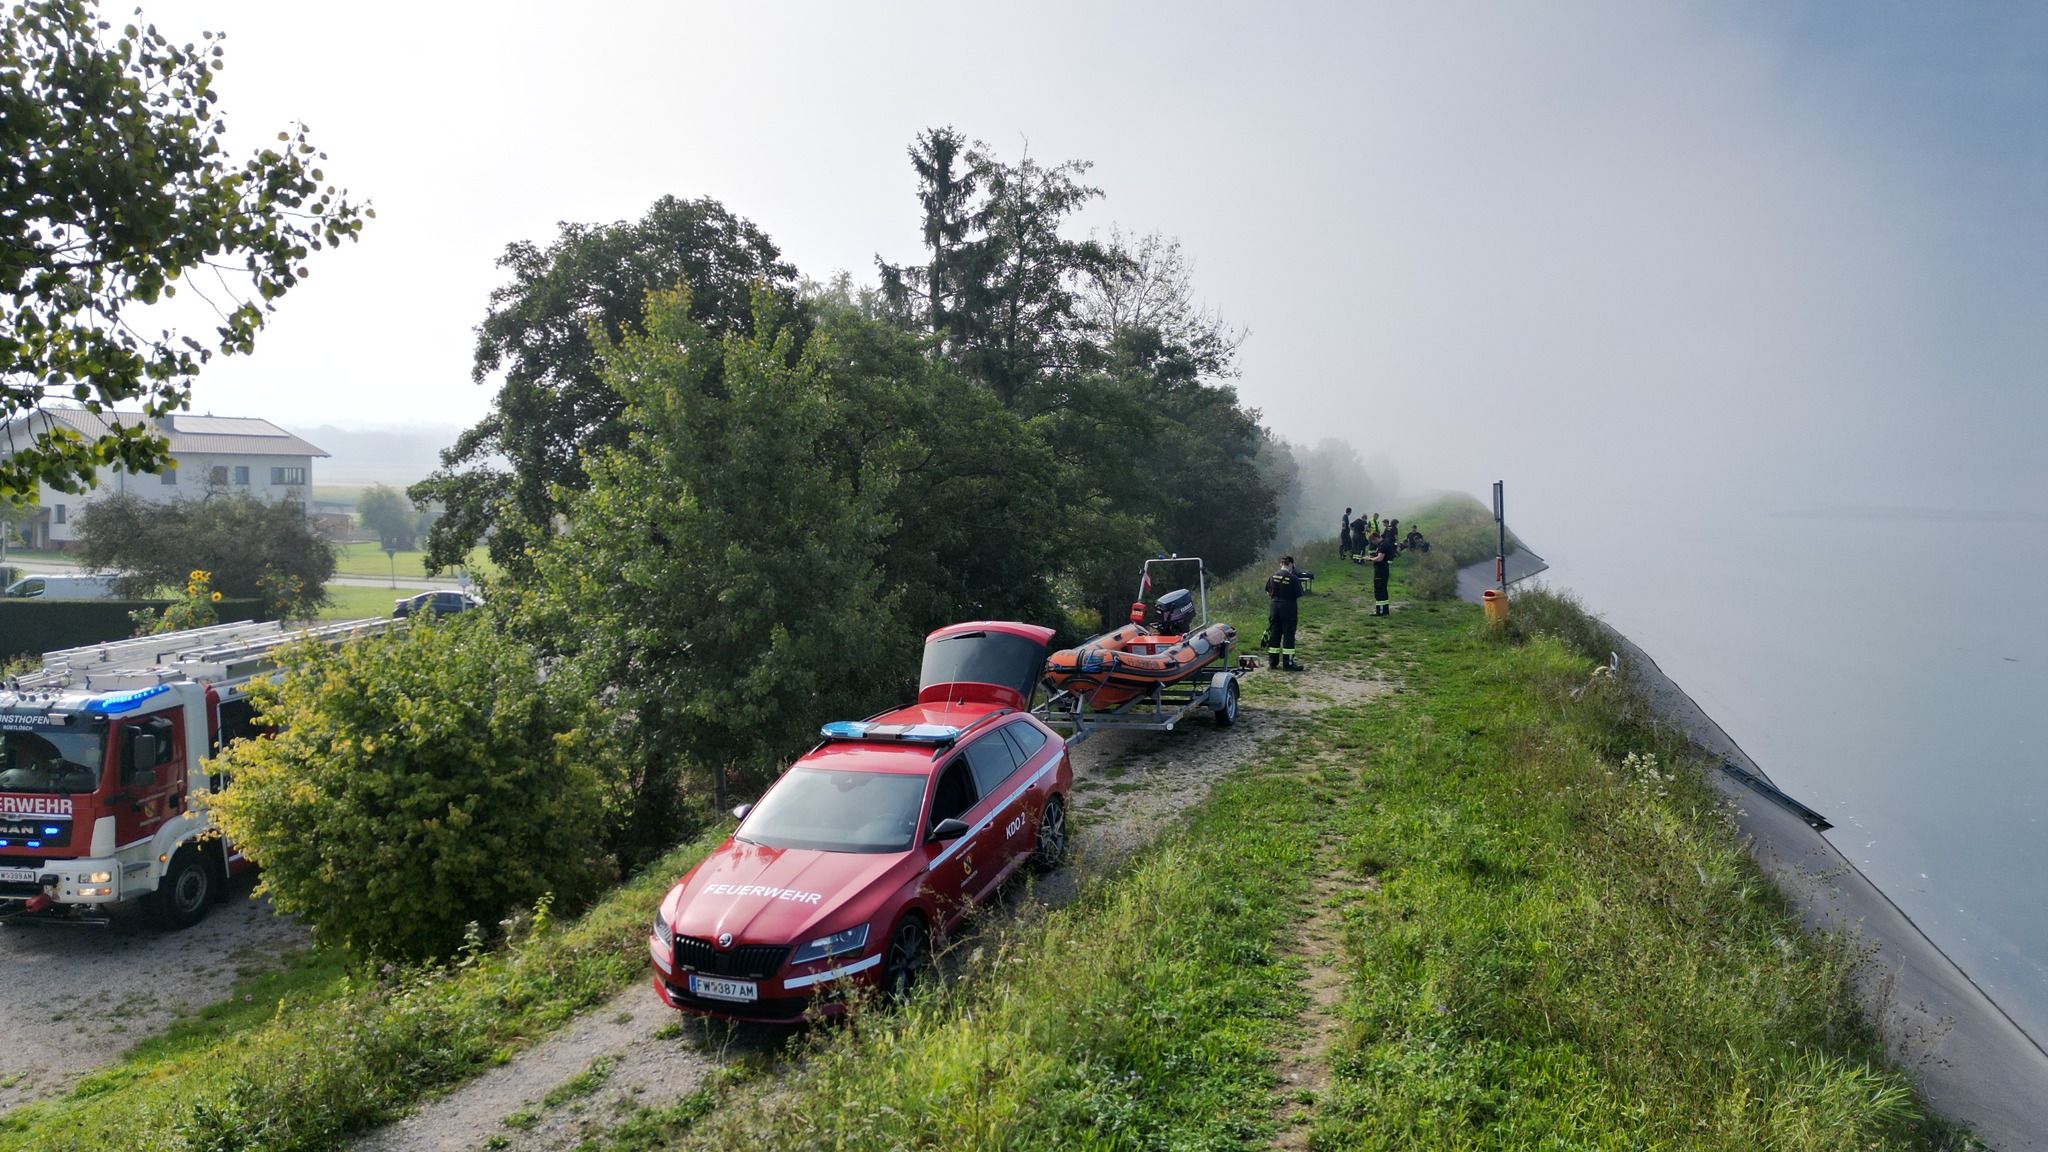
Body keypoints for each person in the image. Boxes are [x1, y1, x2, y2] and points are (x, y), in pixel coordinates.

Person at [1263, 555, 1306, 671]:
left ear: (1281, 564)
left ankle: (1273, 662)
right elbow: (1298, 594)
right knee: (1288, 635)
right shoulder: (1293, 579)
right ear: (1291, 565)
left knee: (1274, 634)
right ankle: (1288, 663)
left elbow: (1268, 592)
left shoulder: (1272, 576)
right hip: (1288, 608)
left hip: (1274, 608)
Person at [1368, 531, 1394, 616]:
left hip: (1380, 571)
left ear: (1375, 539)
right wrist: (1373, 555)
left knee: (1379, 591)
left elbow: (1380, 558)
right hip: (1384, 570)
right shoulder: (1383, 544)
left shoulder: (1382, 545)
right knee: (1383, 590)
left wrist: (1370, 559)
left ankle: (1380, 611)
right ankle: (1385, 610)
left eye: (1372, 541)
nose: (1373, 543)